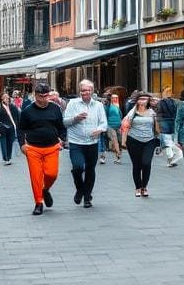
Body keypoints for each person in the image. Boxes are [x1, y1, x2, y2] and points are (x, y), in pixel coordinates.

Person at [18, 82, 66, 215]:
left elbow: (61, 126)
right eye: (41, 96)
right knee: (36, 177)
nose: (43, 99)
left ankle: (46, 189)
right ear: (35, 95)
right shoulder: (27, 111)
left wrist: (62, 138)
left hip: (52, 147)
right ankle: (38, 202)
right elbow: (21, 128)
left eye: (46, 96)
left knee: (52, 174)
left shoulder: (55, 109)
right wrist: (22, 144)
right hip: (33, 148)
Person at [62, 80, 106, 208]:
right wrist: (75, 118)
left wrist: (100, 130)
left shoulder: (98, 105)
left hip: (92, 142)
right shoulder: (73, 104)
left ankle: (87, 197)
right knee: (78, 167)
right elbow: (65, 122)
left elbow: (103, 123)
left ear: (93, 91)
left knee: (90, 169)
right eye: (83, 90)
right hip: (76, 142)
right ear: (79, 91)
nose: (86, 92)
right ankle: (80, 189)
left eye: (88, 90)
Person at [120, 92, 159, 197]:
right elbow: (125, 127)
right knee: (137, 165)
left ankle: (144, 186)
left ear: (148, 101)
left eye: (145, 99)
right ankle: (138, 187)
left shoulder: (152, 113)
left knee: (146, 163)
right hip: (134, 140)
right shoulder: (132, 113)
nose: (142, 101)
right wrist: (123, 142)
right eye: (140, 99)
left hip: (149, 141)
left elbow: (157, 129)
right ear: (137, 100)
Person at [0, 92, 20, 166]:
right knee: (3, 143)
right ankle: (6, 158)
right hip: (2, 128)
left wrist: (17, 125)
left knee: (10, 142)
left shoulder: (12, 107)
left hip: (11, 127)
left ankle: (9, 157)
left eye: (8, 97)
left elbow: (17, 116)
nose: (7, 99)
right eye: (5, 97)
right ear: (1, 99)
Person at [157, 87, 182, 168]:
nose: (169, 92)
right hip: (166, 122)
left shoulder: (171, 101)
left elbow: (175, 111)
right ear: (163, 92)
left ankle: (170, 159)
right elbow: (161, 111)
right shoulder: (164, 102)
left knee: (169, 141)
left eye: (170, 91)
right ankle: (170, 158)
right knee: (168, 140)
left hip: (169, 121)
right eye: (167, 91)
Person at [102, 94, 123, 165]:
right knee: (115, 141)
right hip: (110, 126)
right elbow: (105, 117)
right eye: (113, 98)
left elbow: (120, 115)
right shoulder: (106, 107)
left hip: (118, 125)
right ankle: (118, 157)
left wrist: (121, 124)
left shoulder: (116, 106)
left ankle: (118, 157)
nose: (114, 99)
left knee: (120, 141)